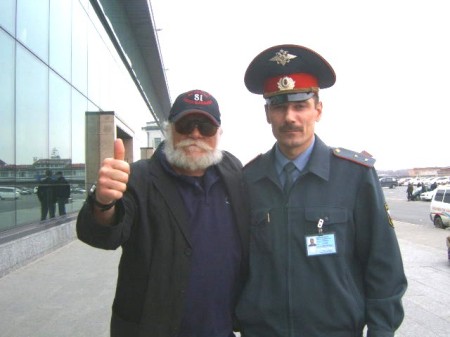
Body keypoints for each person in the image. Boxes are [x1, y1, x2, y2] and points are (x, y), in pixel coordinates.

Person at [235, 44, 407, 337]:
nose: (290, 117)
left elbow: (384, 266)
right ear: (267, 114)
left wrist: (381, 330)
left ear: (318, 110)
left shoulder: (355, 176)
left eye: (300, 105)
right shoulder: (247, 181)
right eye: (279, 106)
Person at [76, 89, 249, 337]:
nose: (195, 134)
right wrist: (103, 202)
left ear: (219, 134)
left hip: (219, 329)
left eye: (206, 127)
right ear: (169, 130)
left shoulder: (232, 171)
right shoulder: (138, 178)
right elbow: (104, 234)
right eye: (186, 125)